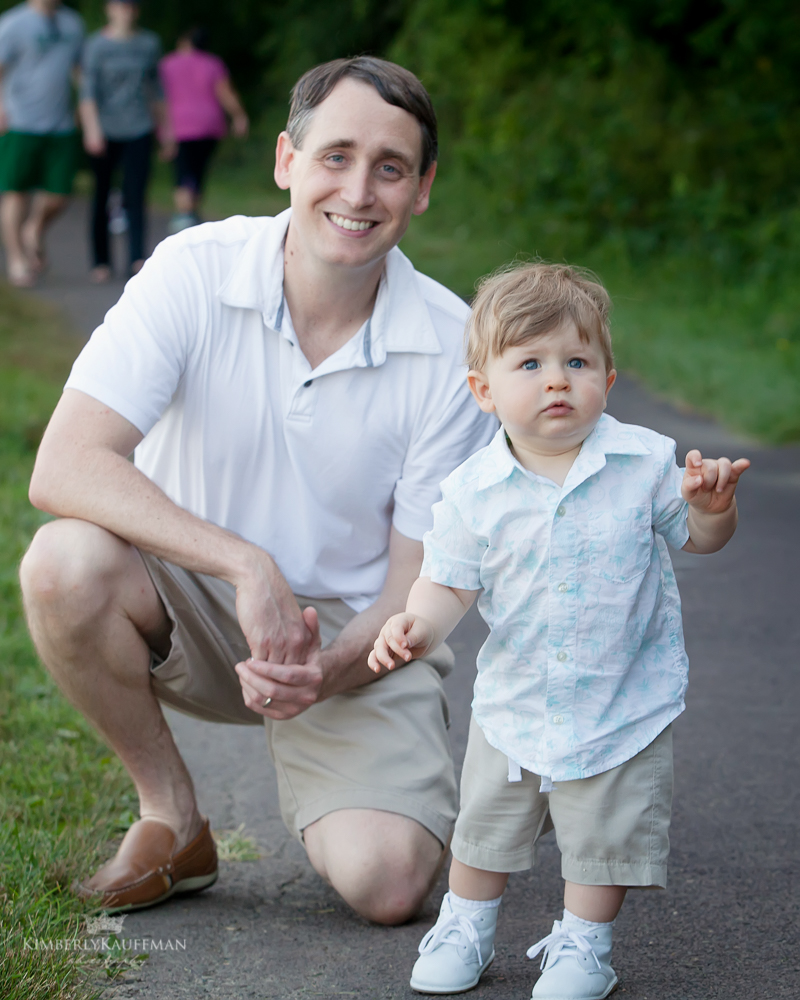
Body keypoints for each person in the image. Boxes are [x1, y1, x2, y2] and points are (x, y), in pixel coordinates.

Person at [20, 57, 496, 923]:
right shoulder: (192, 270)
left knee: (388, 886)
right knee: (64, 563)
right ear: (286, 160)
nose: (358, 190)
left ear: (422, 188)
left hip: (357, 636)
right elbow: (65, 466)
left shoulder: (453, 346)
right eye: (335, 156)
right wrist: (247, 567)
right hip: (198, 601)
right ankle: (172, 817)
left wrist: (331, 666)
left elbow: (413, 582)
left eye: (390, 167)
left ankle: (368, 768)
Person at [370, 263, 750, 998]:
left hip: (621, 703)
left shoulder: (644, 464)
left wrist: (712, 506)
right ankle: (467, 926)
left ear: (607, 380)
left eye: (577, 362)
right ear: (484, 389)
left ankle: (584, 947)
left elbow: (700, 539)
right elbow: (449, 580)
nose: (556, 381)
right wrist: (418, 624)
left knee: (601, 840)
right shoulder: (471, 491)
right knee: (485, 829)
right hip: (516, 702)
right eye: (531, 363)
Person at [79, 0, 167, 282]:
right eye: (121, 5)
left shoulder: (149, 44)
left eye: (132, 6)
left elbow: (156, 89)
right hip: (105, 129)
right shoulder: (96, 46)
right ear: (109, 9)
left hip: (139, 127)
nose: (127, 10)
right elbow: (87, 91)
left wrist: (166, 130)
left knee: (136, 195)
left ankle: (136, 259)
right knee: (102, 195)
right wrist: (92, 129)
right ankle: (101, 261)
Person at [0, 0, 84, 286]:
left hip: (60, 124)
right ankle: (16, 260)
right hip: (20, 121)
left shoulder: (73, 23)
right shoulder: (13, 24)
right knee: (16, 192)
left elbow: (78, 70)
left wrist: (85, 103)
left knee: (60, 194)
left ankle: (33, 228)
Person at [159, 25, 248, 233]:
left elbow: (159, 98)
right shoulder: (213, 64)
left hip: (179, 127)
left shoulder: (168, 64)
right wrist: (239, 116)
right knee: (198, 172)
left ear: (184, 41)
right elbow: (225, 93)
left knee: (182, 173)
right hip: (208, 125)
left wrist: (161, 129)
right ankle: (191, 213)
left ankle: (184, 216)